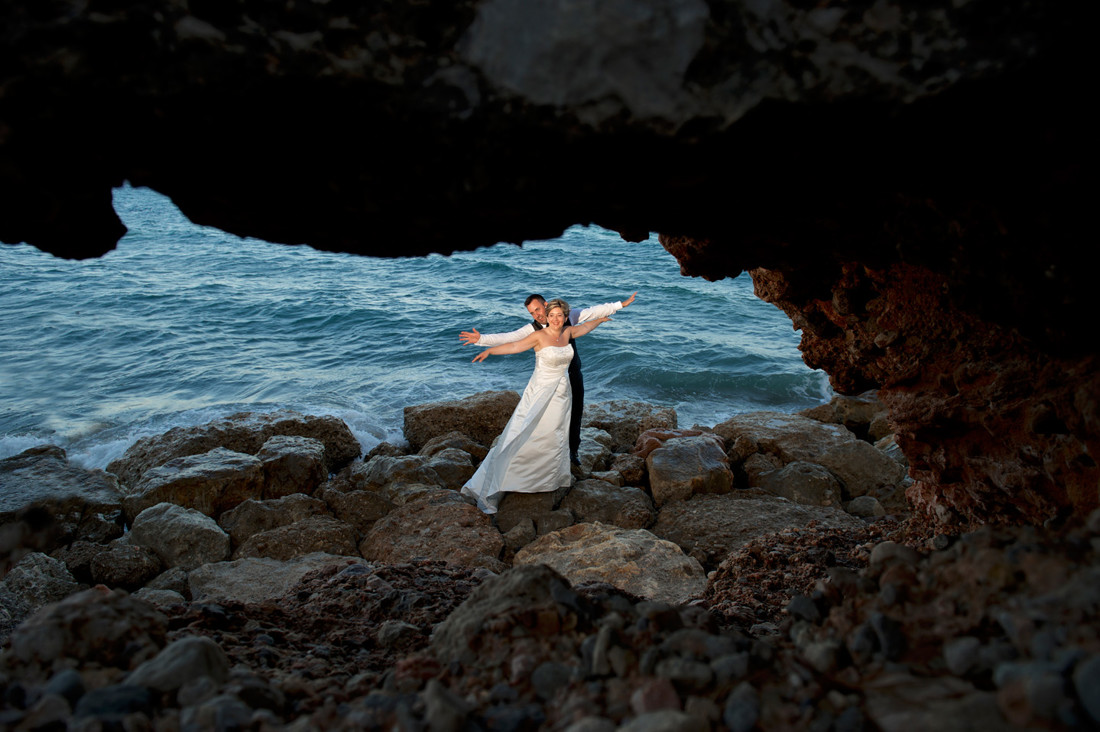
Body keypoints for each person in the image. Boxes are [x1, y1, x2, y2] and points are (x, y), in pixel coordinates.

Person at [460, 299, 613, 514]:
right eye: (552, 315)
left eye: (559, 315)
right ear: (547, 317)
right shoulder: (539, 335)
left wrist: (601, 320)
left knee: (553, 432)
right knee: (523, 431)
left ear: (565, 317)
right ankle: (500, 481)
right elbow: (514, 345)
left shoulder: (567, 333)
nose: (555, 319)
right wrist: (489, 350)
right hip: (540, 391)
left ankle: (544, 478)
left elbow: (585, 327)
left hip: (562, 393)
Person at [460, 291, 636, 464]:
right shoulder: (533, 330)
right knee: (545, 418)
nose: (537, 315)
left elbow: (591, 313)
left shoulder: (567, 318)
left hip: (572, 375)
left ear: (546, 305)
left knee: (575, 413)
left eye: (538, 309)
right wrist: (482, 340)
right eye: (532, 313)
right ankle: (539, 453)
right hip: (548, 382)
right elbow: (511, 340)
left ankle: (572, 451)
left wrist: (620, 305)